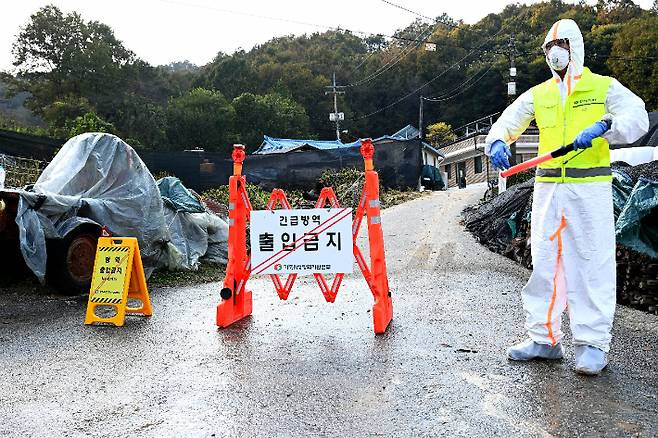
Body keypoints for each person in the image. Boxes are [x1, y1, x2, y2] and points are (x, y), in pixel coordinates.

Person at [485, 19, 649, 375]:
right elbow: (509, 121)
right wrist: (497, 140)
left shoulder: (602, 86)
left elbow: (636, 117)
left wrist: (606, 126)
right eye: (548, 46)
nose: (553, 51)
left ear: (575, 47)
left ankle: (592, 344)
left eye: (560, 44)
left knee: (590, 264)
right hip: (547, 189)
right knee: (544, 262)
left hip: (588, 190)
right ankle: (544, 338)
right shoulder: (539, 93)